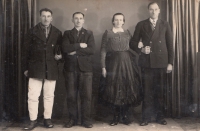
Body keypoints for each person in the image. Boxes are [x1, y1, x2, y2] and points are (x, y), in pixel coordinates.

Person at [130, 2, 173, 126]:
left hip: (161, 62)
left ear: (159, 11)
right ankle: (146, 118)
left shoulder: (165, 24)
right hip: (147, 63)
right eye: (151, 10)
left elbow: (170, 45)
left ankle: (160, 117)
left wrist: (170, 62)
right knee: (147, 92)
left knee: (160, 91)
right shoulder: (141, 24)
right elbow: (132, 43)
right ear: (148, 11)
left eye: (155, 9)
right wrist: (141, 49)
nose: (153, 12)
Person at [22, 8, 62, 130]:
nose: (46, 18)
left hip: (51, 68)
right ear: (40, 17)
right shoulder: (32, 31)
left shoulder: (57, 32)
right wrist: (25, 68)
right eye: (43, 16)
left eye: (48, 16)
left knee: (49, 95)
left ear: (52, 18)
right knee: (33, 96)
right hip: (35, 68)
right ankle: (33, 121)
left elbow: (60, 51)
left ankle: (47, 119)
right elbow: (25, 51)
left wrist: (60, 57)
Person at [100, 13, 142, 126]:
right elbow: (103, 50)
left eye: (120, 20)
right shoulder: (108, 33)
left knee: (126, 88)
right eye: (116, 20)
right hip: (113, 64)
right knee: (114, 89)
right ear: (113, 21)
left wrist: (140, 46)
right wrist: (103, 67)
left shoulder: (127, 32)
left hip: (127, 64)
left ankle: (125, 116)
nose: (118, 22)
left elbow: (133, 46)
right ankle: (115, 117)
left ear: (123, 21)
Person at [62, 12, 95, 128]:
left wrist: (75, 51)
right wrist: (80, 45)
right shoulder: (67, 34)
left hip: (86, 70)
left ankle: (86, 120)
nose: (78, 20)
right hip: (70, 69)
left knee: (86, 96)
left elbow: (91, 50)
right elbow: (65, 48)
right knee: (71, 96)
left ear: (83, 20)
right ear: (72, 20)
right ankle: (73, 119)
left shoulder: (89, 34)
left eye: (81, 18)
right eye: (76, 18)